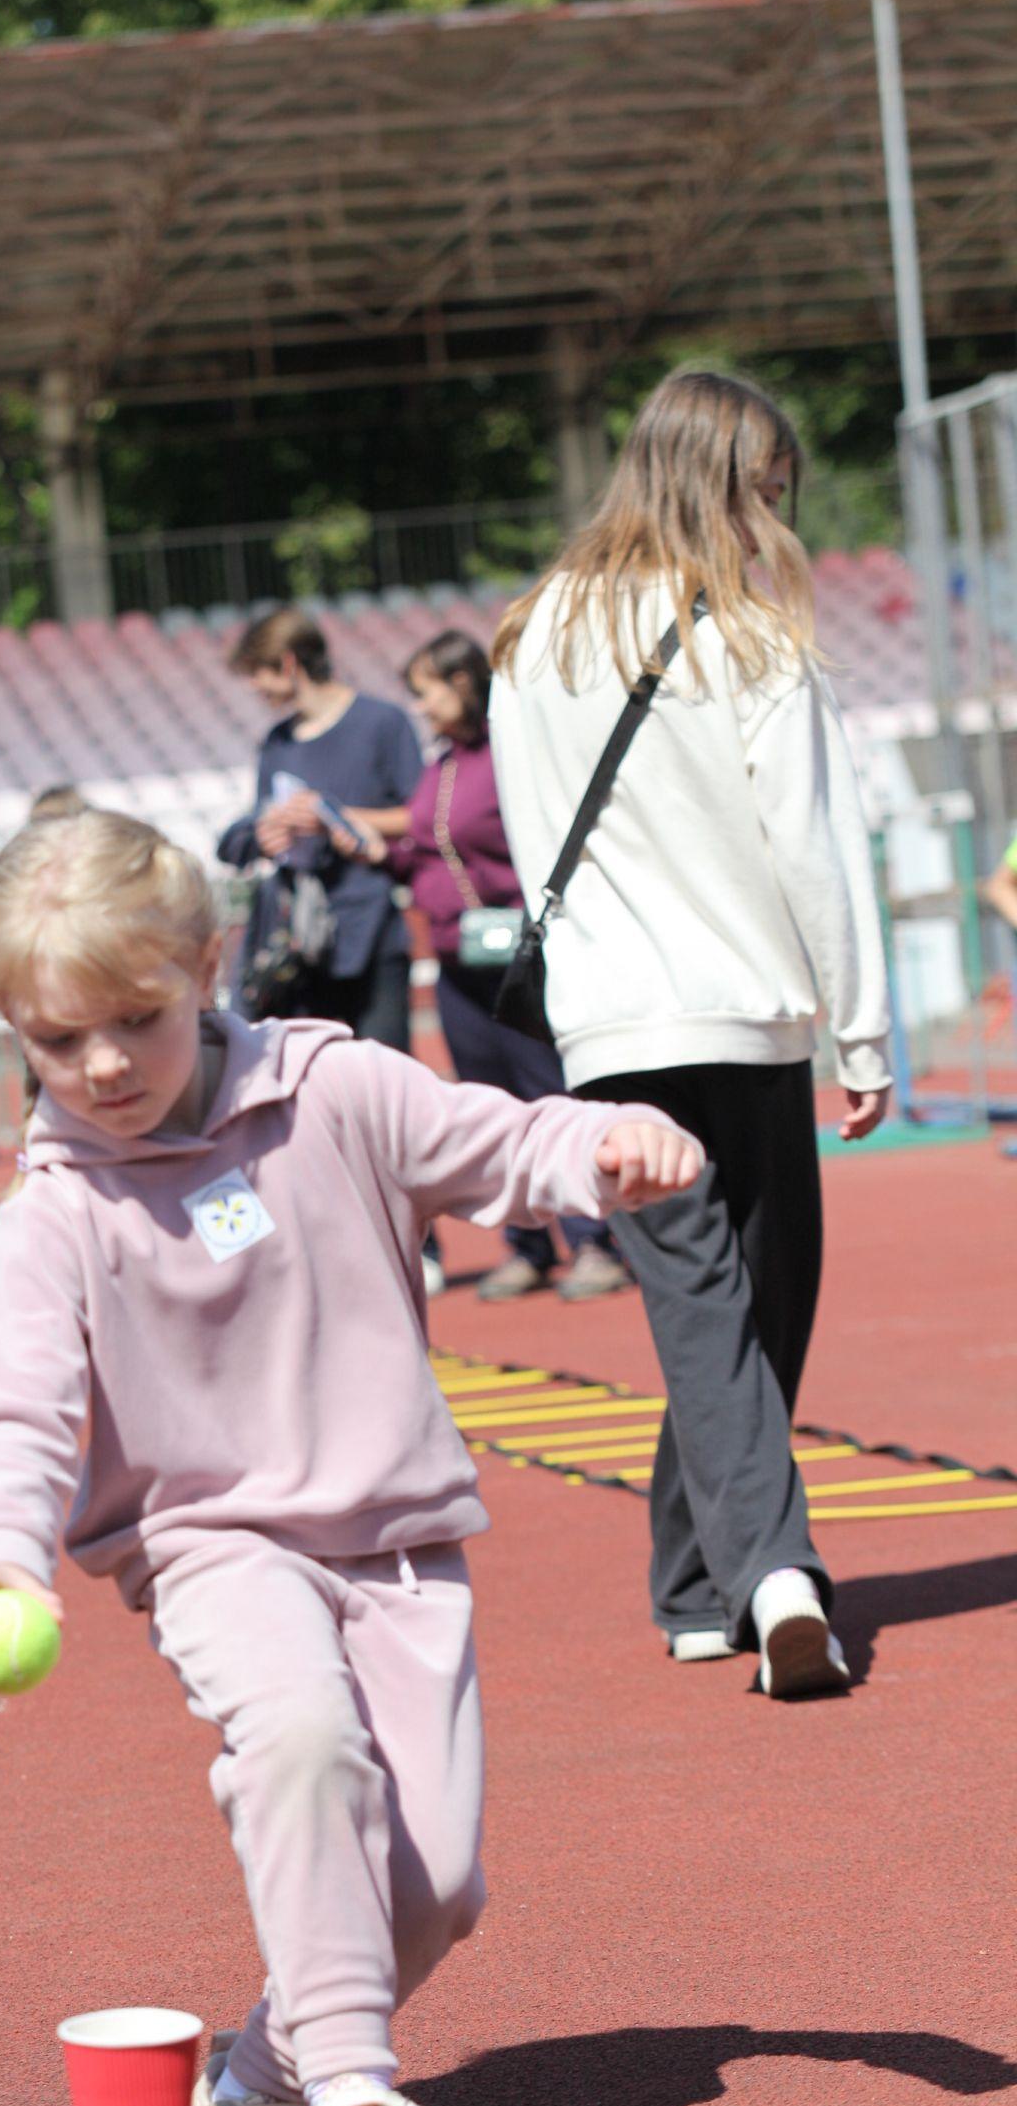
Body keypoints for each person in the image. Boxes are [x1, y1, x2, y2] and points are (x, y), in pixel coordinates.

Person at [0, 809, 697, 2106]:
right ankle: (355, 2098)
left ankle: (259, 2081)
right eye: (56, 1039)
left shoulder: (332, 1091)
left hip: (397, 1541)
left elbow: (502, 1142)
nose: (101, 1067)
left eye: (137, 1021)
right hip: (210, 1543)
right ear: (9, 1031)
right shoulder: (55, 1216)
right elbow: (18, 1417)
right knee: (298, 1747)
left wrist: (607, 1140)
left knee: (439, 1888)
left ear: (208, 964)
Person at [491, 367, 893, 1695]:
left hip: (611, 1031)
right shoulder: (750, 632)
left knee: (709, 1313)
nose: (780, 519)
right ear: (732, 485)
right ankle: (781, 1580)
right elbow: (818, 846)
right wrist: (866, 1033)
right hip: (745, 1016)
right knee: (754, 1311)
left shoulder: (530, 635)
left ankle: (695, 1584)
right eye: (770, 491)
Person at [330, 628, 629, 1303]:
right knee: (487, 1103)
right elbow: (430, 851)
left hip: (516, 954)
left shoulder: (511, 754)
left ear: (462, 683)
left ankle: (593, 1242)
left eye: (426, 692)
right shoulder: (442, 766)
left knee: (547, 1091)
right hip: (457, 954)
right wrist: (379, 854)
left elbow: (533, 846)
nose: (420, 708)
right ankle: (527, 1243)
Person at [217, 607, 424, 1044]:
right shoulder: (278, 742)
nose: (254, 687)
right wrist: (270, 833)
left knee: (384, 1076)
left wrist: (331, 815)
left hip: (371, 933)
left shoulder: (381, 723)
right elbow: (262, 816)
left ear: (288, 663)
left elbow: (419, 817)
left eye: (258, 673)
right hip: (301, 944)